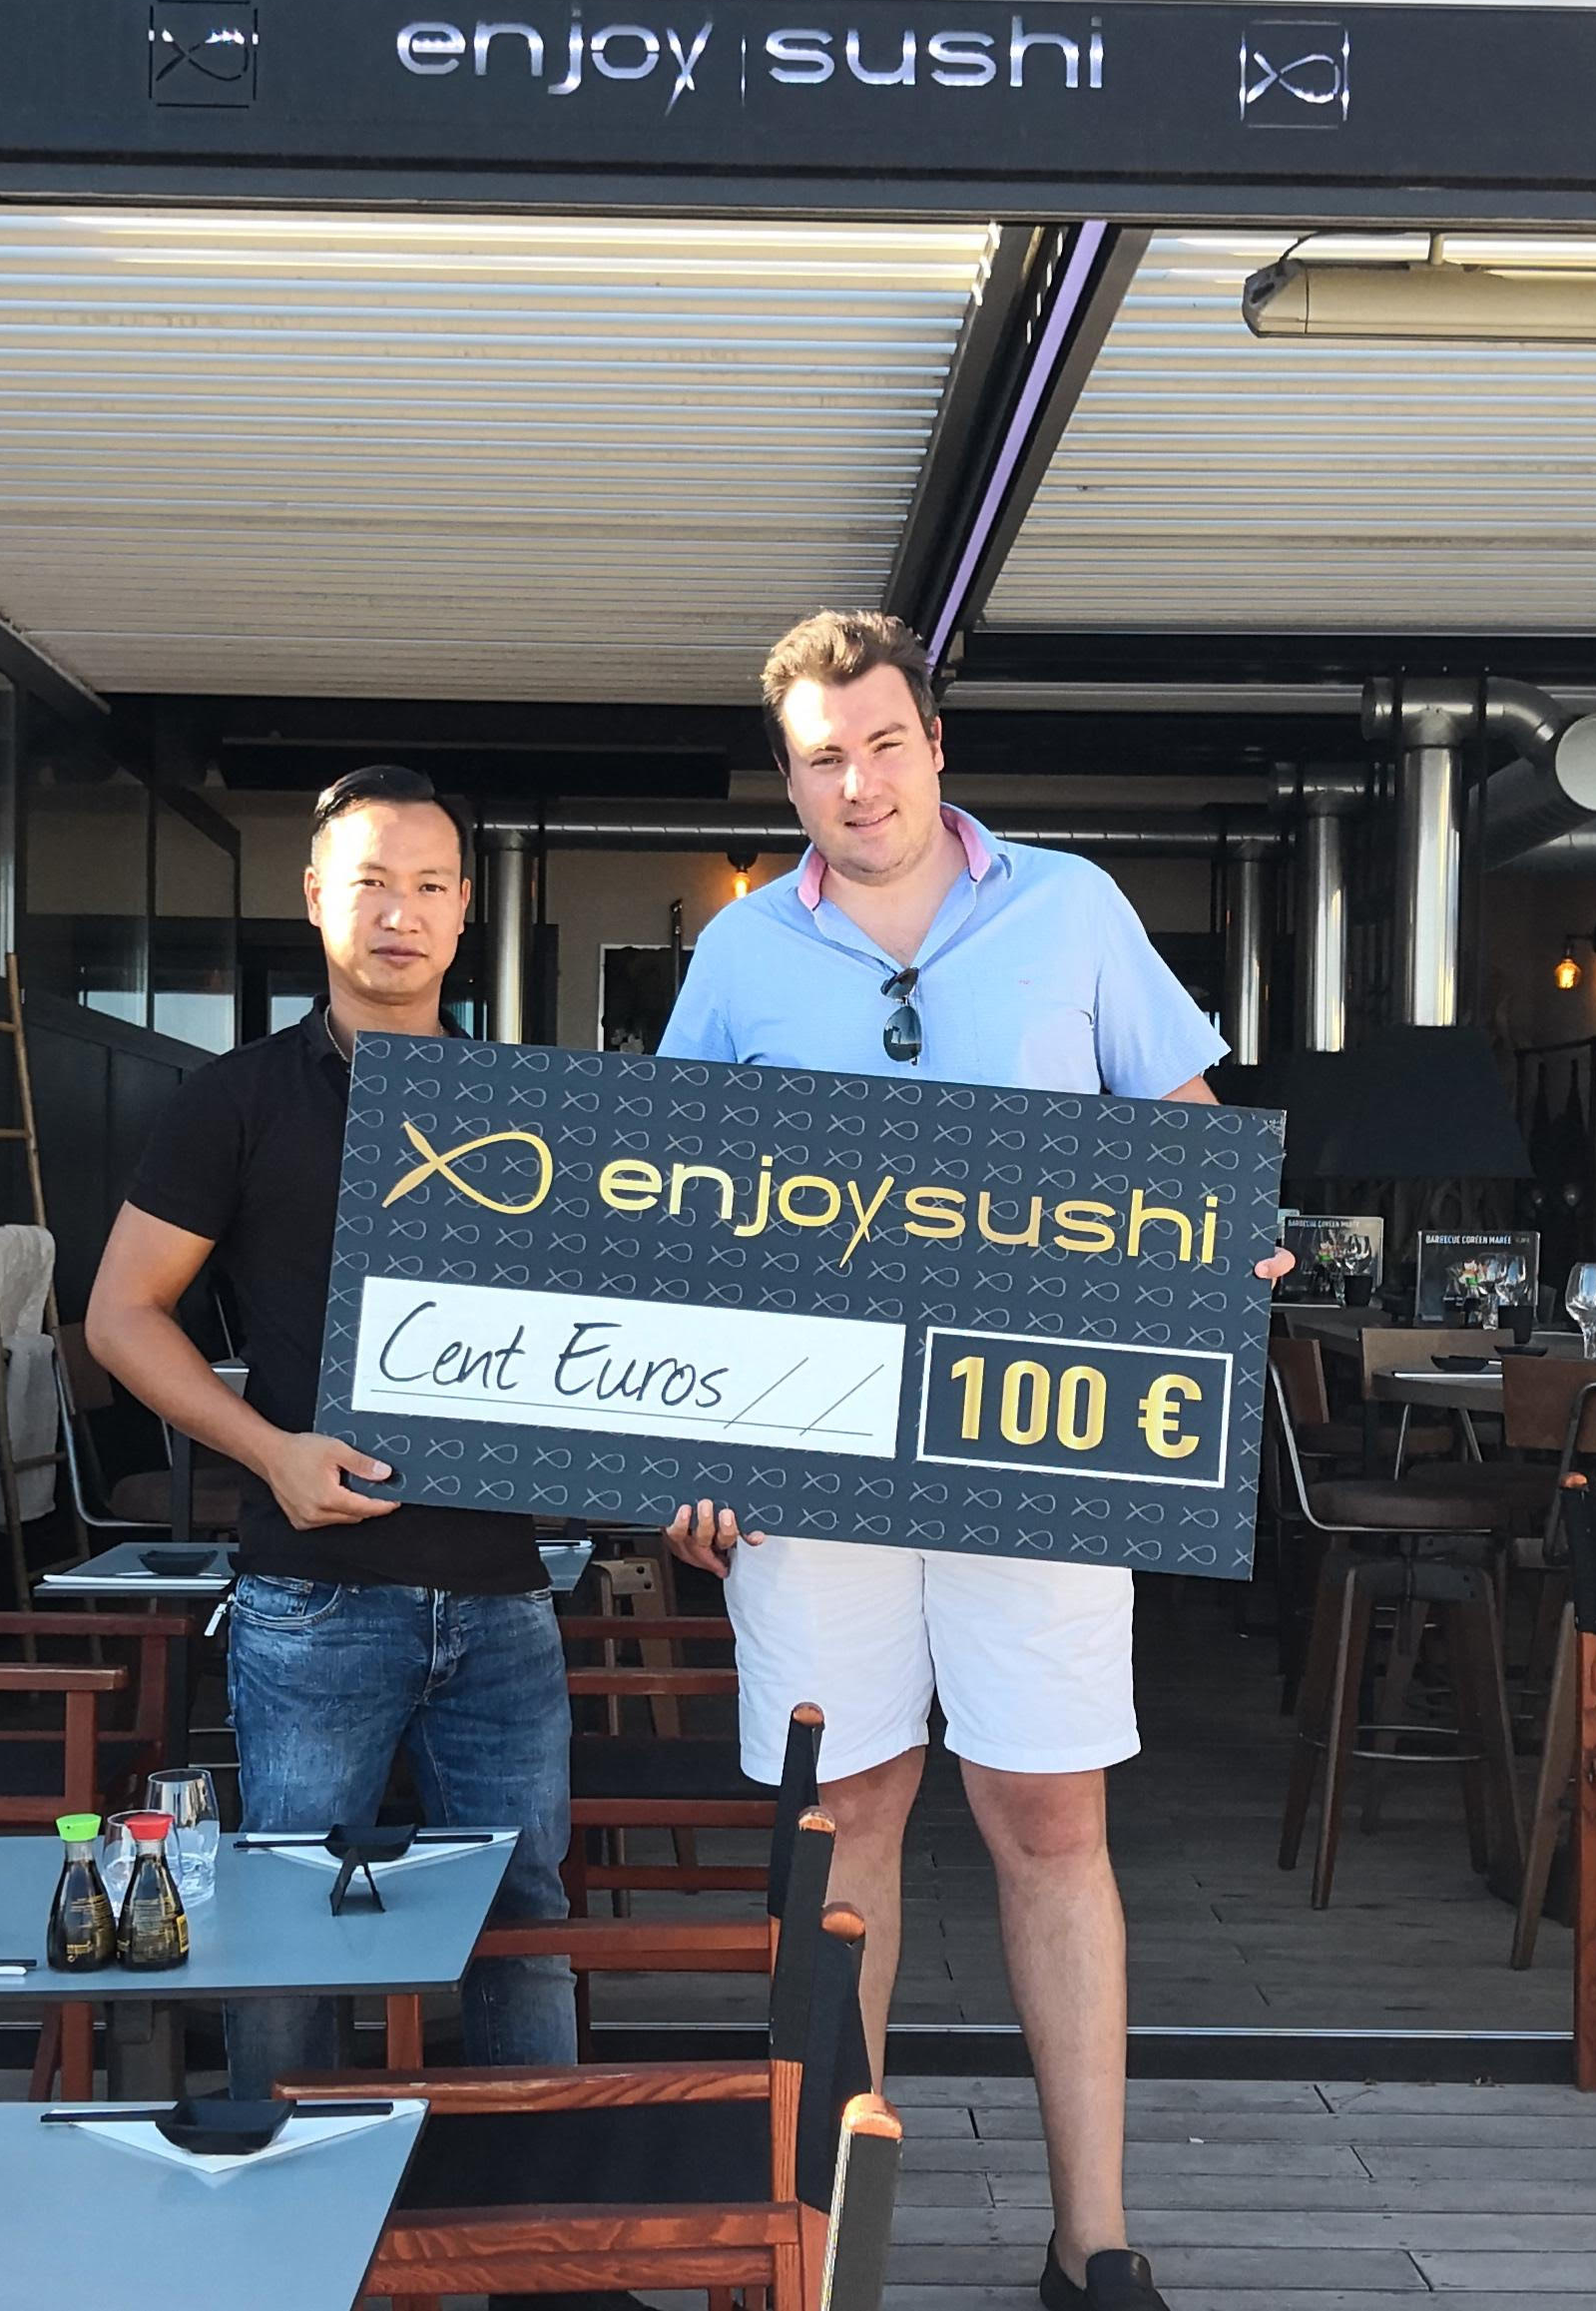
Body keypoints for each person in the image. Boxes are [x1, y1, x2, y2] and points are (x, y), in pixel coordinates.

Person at [659, 610, 1287, 2311]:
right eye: (821, 759)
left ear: (936, 744)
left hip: (1042, 1447)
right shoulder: (738, 954)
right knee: (849, 1818)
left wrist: (1227, 1245)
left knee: (1050, 1816)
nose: (857, 782)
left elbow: (1183, 1138)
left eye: (883, 743)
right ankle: (825, 2252)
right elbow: (667, 1220)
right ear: (789, 778)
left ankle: (1095, 2244)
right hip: (808, 1457)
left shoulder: (1071, 907)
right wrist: (683, 1448)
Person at [86, 764, 571, 2089]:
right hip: (313, 1597)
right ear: (314, 896)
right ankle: (281, 2188)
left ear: (463, 910)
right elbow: (122, 1314)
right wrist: (268, 1449)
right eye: (370, 883)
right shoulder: (236, 1098)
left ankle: (542, 2210)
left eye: (429, 885)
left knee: (525, 1922)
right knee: (292, 1921)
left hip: (503, 1591)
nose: (399, 913)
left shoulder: (539, 1105)